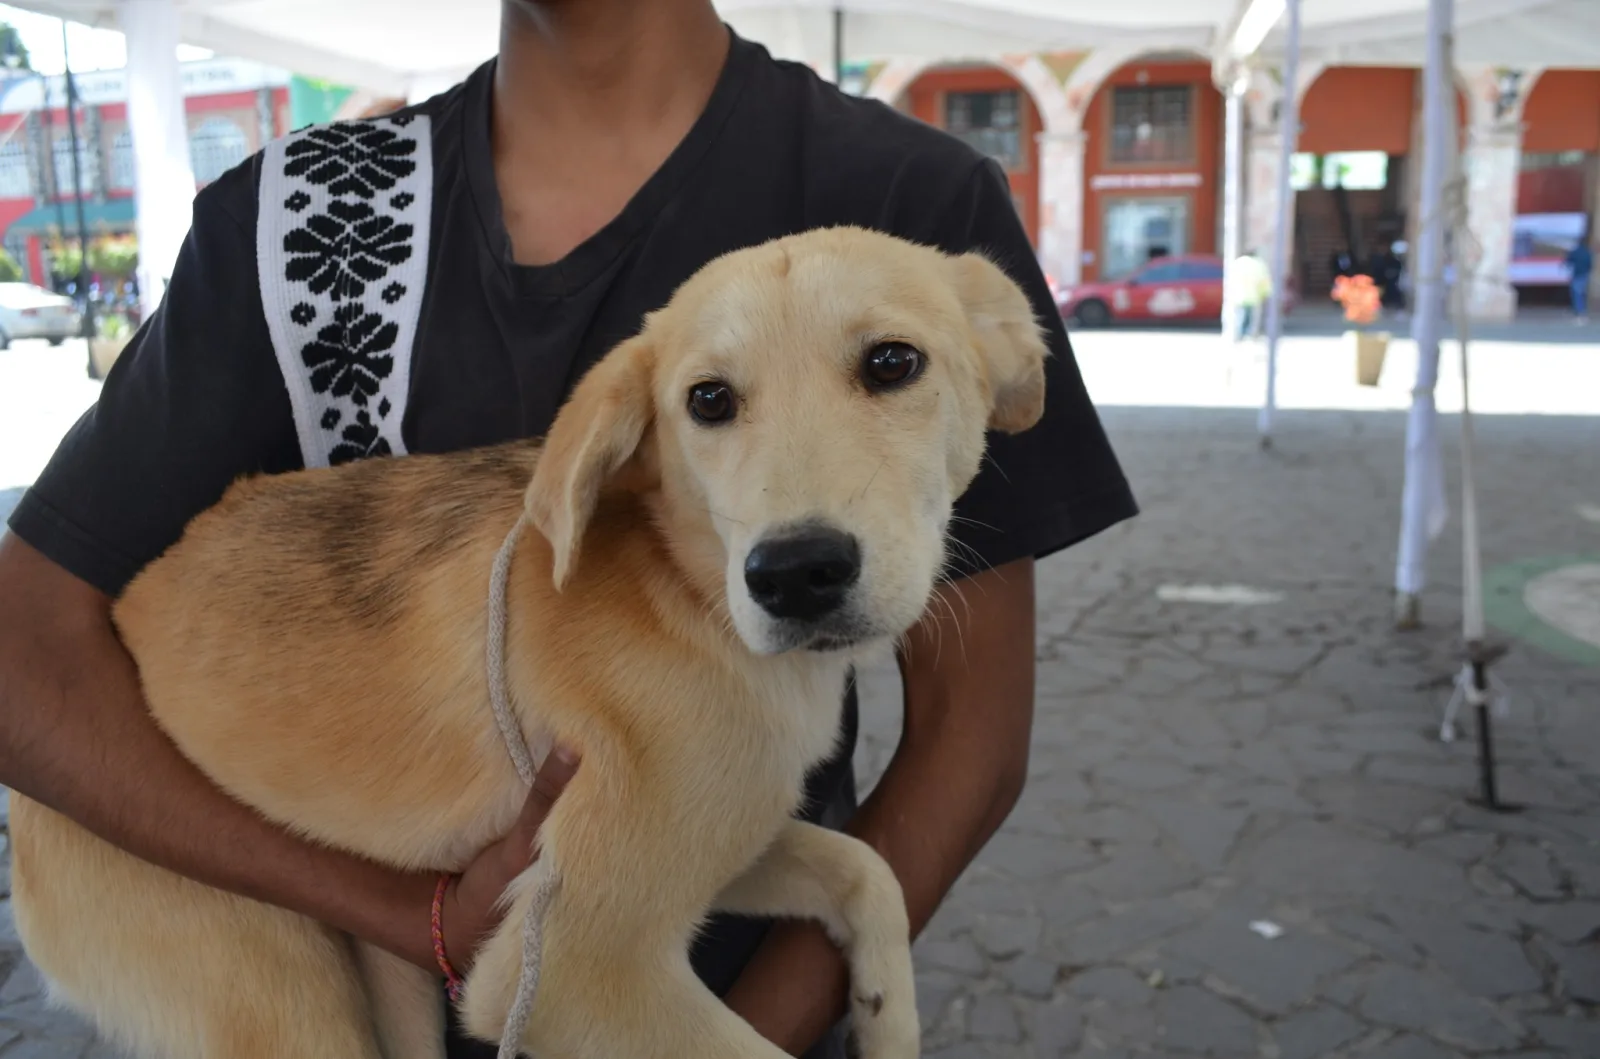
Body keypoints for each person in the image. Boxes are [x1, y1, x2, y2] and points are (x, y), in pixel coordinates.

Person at [0, 2, 1137, 1057]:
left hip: (739, 987)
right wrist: (415, 916)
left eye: (885, 367)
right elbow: (24, 654)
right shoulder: (296, 216)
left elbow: (969, 743)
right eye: (714, 402)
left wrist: (773, 1019)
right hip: (282, 913)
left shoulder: (905, 196)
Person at [1227, 248, 1272, 342]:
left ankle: (1239, 335)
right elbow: (1264, 281)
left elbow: (1231, 279)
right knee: (1253, 319)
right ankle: (1251, 336)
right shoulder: (1259, 264)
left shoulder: (1238, 262)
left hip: (1239, 295)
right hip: (1254, 296)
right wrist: (1266, 293)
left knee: (1241, 316)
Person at [1565, 235, 1592, 324]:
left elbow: (1568, 261)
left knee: (1576, 295)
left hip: (1577, 275)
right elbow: (1590, 264)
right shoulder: (1587, 252)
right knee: (1581, 295)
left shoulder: (1575, 252)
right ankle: (1581, 314)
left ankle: (1579, 314)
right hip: (1584, 275)